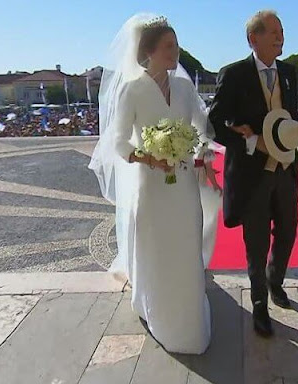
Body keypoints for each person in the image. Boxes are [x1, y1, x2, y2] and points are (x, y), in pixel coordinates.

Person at [88, 14, 214, 354]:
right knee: (158, 246)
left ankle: (188, 312)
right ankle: (158, 308)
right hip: (152, 185)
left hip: (185, 184)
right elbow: (117, 143)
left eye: (176, 45)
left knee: (187, 243)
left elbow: (204, 130)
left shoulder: (186, 88)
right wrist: (148, 158)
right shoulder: (132, 89)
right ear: (149, 52)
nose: (176, 51)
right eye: (169, 46)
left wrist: (203, 154)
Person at [209, 10, 298, 338]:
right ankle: (258, 304)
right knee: (254, 242)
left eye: (282, 31)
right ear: (253, 39)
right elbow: (214, 125)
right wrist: (252, 140)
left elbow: (287, 119)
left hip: (285, 171)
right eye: (274, 32)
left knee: (288, 231)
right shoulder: (234, 74)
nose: (281, 37)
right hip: (252, 174)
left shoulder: (289, 73)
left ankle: (275, 281)